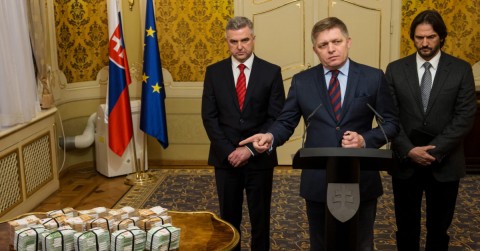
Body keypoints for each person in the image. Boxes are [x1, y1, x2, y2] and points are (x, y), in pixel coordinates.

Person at [240, 17, 399, 250]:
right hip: (318, 178)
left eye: (336, 41)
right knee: (321, 243)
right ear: (315, 49)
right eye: (323, 45)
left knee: (362, 243)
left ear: (348, 42)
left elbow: (392, 123)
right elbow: (286, 121)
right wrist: (270, 136)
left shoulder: (373, 77)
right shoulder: (303, 81)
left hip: (361, 176)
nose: (331, 49)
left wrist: (365, 139)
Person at [385, 10, 477, 251]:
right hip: (406, 162)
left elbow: (465, 117)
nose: (424, 43)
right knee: (406, 228)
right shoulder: (395, 69)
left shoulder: (461, 69)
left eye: (431, 37)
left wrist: (434, 151)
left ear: (442, 37)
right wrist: (409, 150)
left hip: (445, 163)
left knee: (439, 229)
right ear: (412, 38)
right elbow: (389, 115)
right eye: (419, 38)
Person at [201, 16, 285, 251]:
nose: (239, 46)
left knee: (261, 218)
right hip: (225, 159)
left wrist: (248, 150)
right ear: (227, 42)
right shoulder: (214, 72)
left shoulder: (271, 72)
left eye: (245, 40)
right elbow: (209, 117)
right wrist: (230, 152)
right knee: (228, 219)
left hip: (259, 158)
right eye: (233, 41)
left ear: (253, 39)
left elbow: (276, 118)